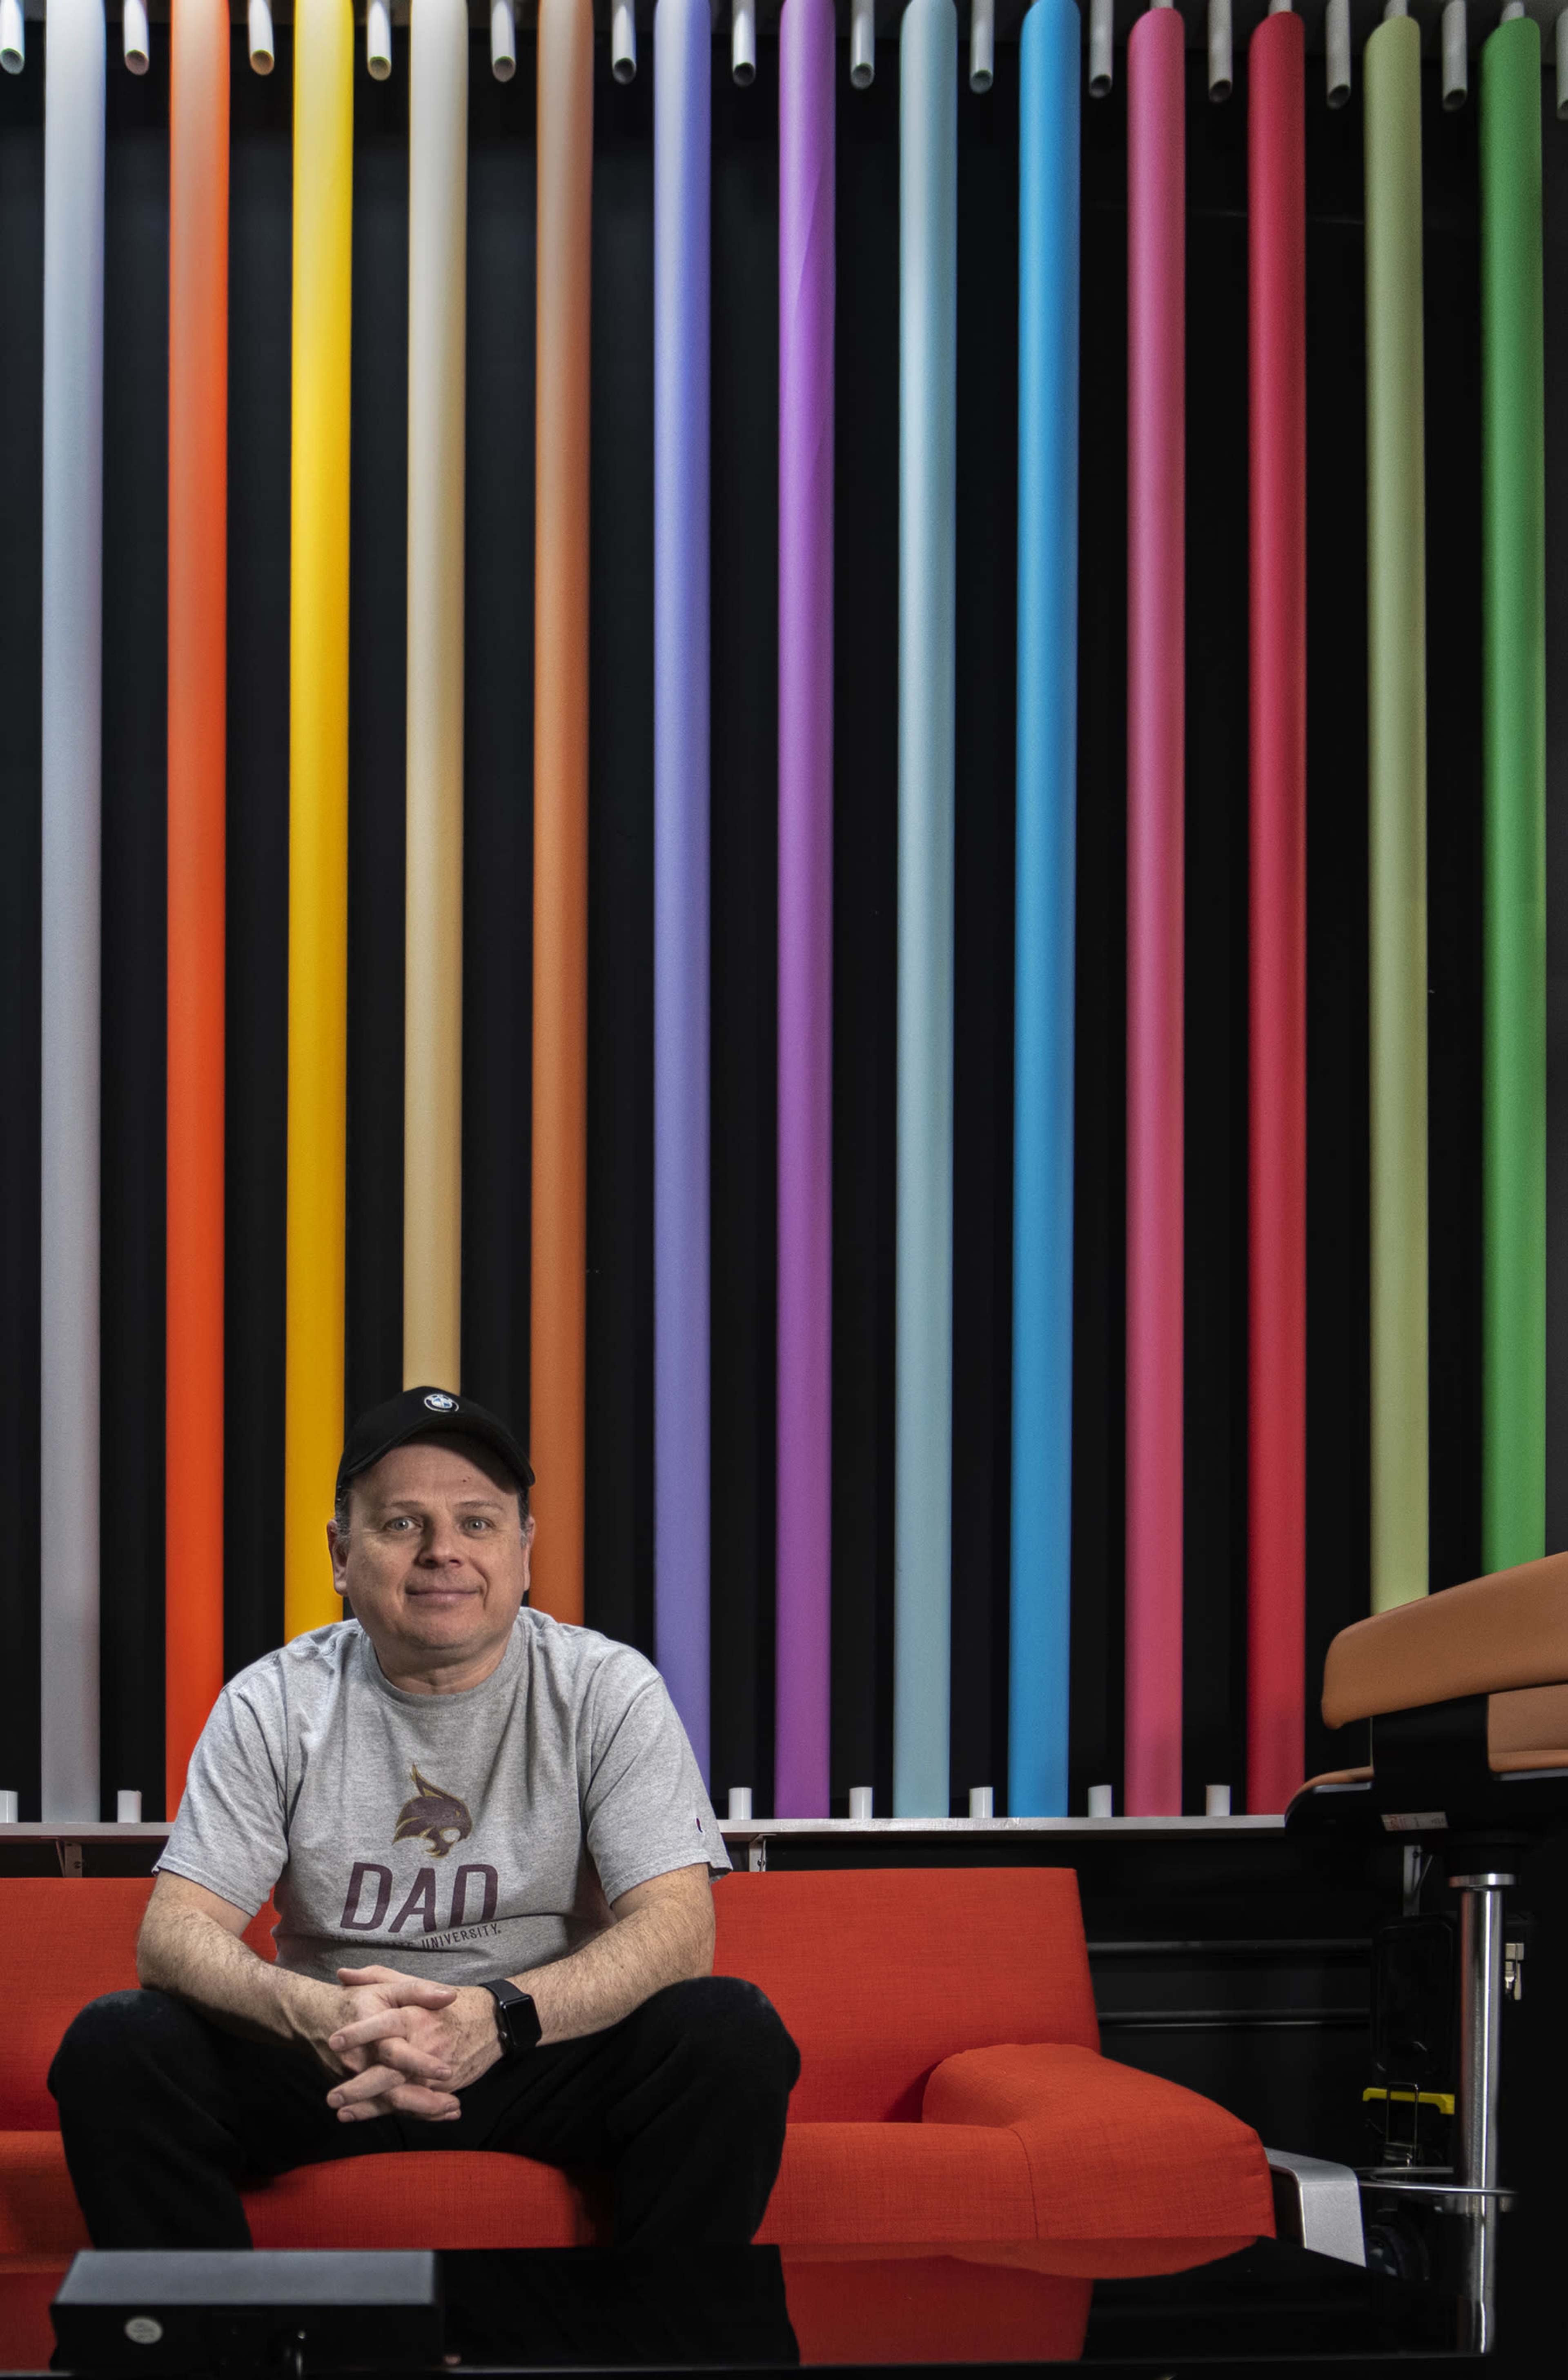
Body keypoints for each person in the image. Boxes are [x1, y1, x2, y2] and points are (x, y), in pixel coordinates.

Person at [50, 1386, 799, 2250]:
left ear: (524, 1550)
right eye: (403, 1523)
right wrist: (317, 2016)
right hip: (329, 2057)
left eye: (478, 1522)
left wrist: (498, 2015)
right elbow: (174, 1934)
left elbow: (679, 1929)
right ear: (341, 1553)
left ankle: (659, 2325)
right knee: (118, 2045)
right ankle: (210, 2327)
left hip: (539, 2049)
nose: (444, 1551)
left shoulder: (605, 1688)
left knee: (731, 2032)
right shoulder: (275, 1700)